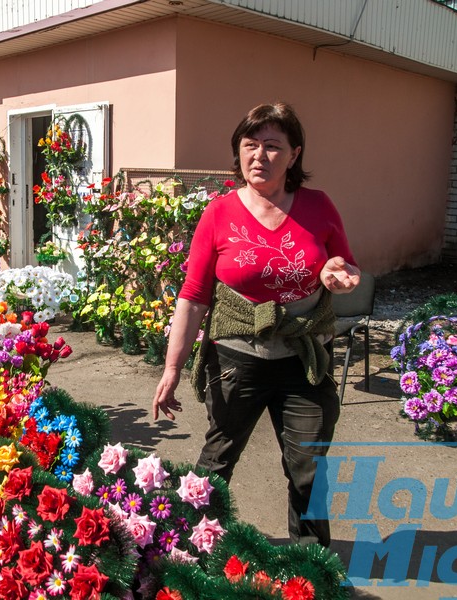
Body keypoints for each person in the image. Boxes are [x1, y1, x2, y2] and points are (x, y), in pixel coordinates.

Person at [151, 102, 360, 547]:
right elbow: (193, 296)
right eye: (250, 145)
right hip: (237, 361)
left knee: (309, 469)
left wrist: (336, 276)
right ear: (238, 151)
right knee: (217, 462)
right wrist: (171, 369)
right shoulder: (219, 213)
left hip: (305, 361)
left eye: (272, 146)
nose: (259, 156)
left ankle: (310, 566)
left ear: (294, 154)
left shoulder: (318, 207)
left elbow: (345, 266)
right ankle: (187, 547)